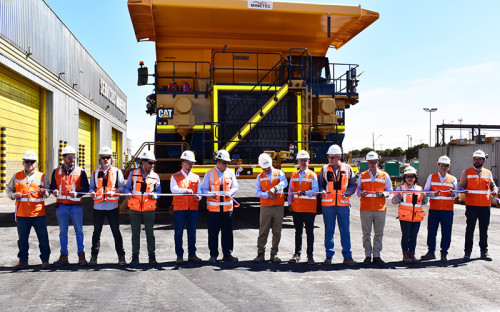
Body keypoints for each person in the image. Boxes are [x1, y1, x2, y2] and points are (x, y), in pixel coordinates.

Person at [7, 150, 51, 270]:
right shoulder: (17, 176)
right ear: (23, 163)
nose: (29, 164)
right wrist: (13, 195)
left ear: (36, 163)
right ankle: (23, 260)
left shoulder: (42, 176)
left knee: (43, 238)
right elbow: (9, 190)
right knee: (22, 240)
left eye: (32, 162)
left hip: (38, 213)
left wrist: (44, 193)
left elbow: (48, 191)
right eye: (27, 161)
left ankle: (45, 260)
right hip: (22, 214)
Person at [50, 145, 90, 266]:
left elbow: (86, 188)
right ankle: (64, 256)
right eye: (69, 157)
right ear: (63, 158)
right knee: (63, 232)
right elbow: (52, 186)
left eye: (73, 157)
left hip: (76, 206)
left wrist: (78, 194)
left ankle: (81, 256)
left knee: (79, 231)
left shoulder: (80, 171)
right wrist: (54, 191)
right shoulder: (56, 172)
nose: (72, 159)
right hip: (61, 206)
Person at [319, 144, 357, 266]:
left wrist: (348, 192)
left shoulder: (348, 168)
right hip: (328, 205)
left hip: (343, 204)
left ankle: (347, 256)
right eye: (329, 157)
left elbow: (353, 185)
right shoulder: (324, 169)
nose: (330, 160)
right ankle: (329, 256)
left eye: (333, 157)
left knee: (345, 231)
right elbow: (320, 185)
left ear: (339, 157)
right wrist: (322, 191)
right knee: (329, 230)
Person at [89, 147, 126, 266]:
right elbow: (91, 187)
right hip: (98, 207)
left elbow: (122, 187)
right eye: (103, 158)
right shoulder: (95, 173)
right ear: (100, 159)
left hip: (112, 206)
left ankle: (121, 257)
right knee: (96, 233)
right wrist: (92, 193)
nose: (105, 160)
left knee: (116, 232)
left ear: (111, 159)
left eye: (108, 157)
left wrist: (115, 192)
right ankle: (93, 257)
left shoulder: (117, 172)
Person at [459, 150, 498, 261]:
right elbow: (461, 186)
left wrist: (494, 190)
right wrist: (463, 190)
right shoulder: (466, 172)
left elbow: (492, 185)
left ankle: (483, 252)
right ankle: (467, 253)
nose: (477, 161)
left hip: (485, 206)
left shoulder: (487, 173)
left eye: (480, 159)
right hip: (472, 206)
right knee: (470, 229)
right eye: (475, 159)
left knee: (484, 229)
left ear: (484, 160)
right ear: (473, 159)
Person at [201, 150, 239, 263]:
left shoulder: (231, 172)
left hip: (227, 209)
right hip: (214, 209)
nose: (226, 165)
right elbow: (204, 189)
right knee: (213, 233)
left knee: (227, 232)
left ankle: (228, 254)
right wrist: (210, 194)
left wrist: (230, 193)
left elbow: (235, 186)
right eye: (224, 162)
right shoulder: (209, 173)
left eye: (227, 162)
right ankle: (213, 255)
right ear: (218, 162)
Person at [124, 150, 161, 266]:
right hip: (135, 208)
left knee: (150, 233)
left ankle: (152, 257)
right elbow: (127, 188)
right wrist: (127, 194)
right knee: (135, 233)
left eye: (153, 163)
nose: (152, 165)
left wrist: (154, 196)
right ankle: (135, 257)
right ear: (143, 163)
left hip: (149, 208)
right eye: (150, 163)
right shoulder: (133, 174)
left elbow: (159, 191)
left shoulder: (155, 176)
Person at [356, 151, 392, 265]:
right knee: (366, 233)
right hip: (366, 209)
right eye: (370, 162)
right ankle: (367, 255)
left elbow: (390, 191)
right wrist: (361, 193)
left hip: (380, 209)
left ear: (378, 162)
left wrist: (383, 194)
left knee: (379, 233)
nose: (372, 164)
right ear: (367, 163)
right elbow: (358, 190)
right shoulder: (362, 175)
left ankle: (376, 255)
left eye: (374, 162)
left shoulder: (384, 175)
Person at [421, 155, 457, 263]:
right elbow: (426, 192)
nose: (443, 167)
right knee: (432, 231)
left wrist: (453, 194)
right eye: (441, 165)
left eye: (446, 165)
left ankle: (444, 253)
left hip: (447, 210)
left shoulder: (452, 179)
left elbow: (456, 194)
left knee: (446, 232)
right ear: (438, 165)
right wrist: (433, 194)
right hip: (435, 209)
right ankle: (431, 252)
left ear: (449, 166)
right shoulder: (431, 177)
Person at [253, 153, 288, 263]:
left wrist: (275, 189)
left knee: (277, 231)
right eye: (264, 169)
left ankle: (274, 254)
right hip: (266, 207)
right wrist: (267, 195)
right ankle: (260, 254)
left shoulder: (279, 173)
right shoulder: (260, 176)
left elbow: (284, 183)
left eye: (268, 168)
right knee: (263, 230)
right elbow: (257, 192)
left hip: (278, 206)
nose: (266, 170)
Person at [170, 150, 202, 264]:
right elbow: (174, 189)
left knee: (192, 232)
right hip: (180, 209)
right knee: (178, 232)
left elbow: (200, 191)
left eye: (192, 163)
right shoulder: (175, 176)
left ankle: (192, 254)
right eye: (189, 163)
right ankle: (179, 256)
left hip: (192, 208)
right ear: (183, 163)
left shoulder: (196, 177)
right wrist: (186, 191)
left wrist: (199, 197)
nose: (191, 166)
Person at [288, 150, 318, 264]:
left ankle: (310, 255)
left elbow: (315, 191)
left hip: (309, 209)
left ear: (308, 161)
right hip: (297, 208)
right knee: (298, 233)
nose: (303, 162)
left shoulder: (312, 175)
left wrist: (305, 193)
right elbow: (291, 191)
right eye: (301, 160)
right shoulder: (294, 175)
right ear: (298, 162)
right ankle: (297, 254)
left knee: (309, 233)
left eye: (305, 160)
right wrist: (290, 204)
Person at [392, 166, 428, 263]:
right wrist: (398, 198)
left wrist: (425, 198)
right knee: (406, 235)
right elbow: (394, 201)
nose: (410, 178)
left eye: (412, 176)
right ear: (404, 178)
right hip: (405, 217)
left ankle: (412, 254)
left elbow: (424, 203)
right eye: (407, 176)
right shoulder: (400, 188)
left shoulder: (419, 189)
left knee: (413, 236)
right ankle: (405, 254)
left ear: (415, 178)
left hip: (417, 217)